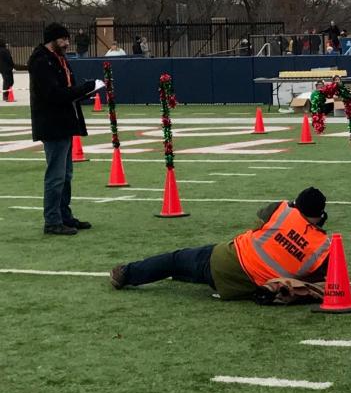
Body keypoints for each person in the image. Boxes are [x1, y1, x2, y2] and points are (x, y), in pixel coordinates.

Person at [109, 187, 333, 300]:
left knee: (175, 260)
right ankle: (180, 276)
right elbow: (317, 281)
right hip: (243, 289)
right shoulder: (323, 246)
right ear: (321, 215)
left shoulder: (282, 211)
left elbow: (258, 221)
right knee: (188, 273)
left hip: (224, 259)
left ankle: (126, 273)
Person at [28, 23, 100, 235]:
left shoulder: (58, 59)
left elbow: (67, 89)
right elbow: (54, 94)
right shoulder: (42, 61)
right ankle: (52, 220)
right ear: (52, 39)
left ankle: (64, 216)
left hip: (64, 121)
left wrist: (85, 90)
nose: (67, 43)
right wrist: (82, 89)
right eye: (63, 39)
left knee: (66, 174)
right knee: (56, 175)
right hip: (52, 123)